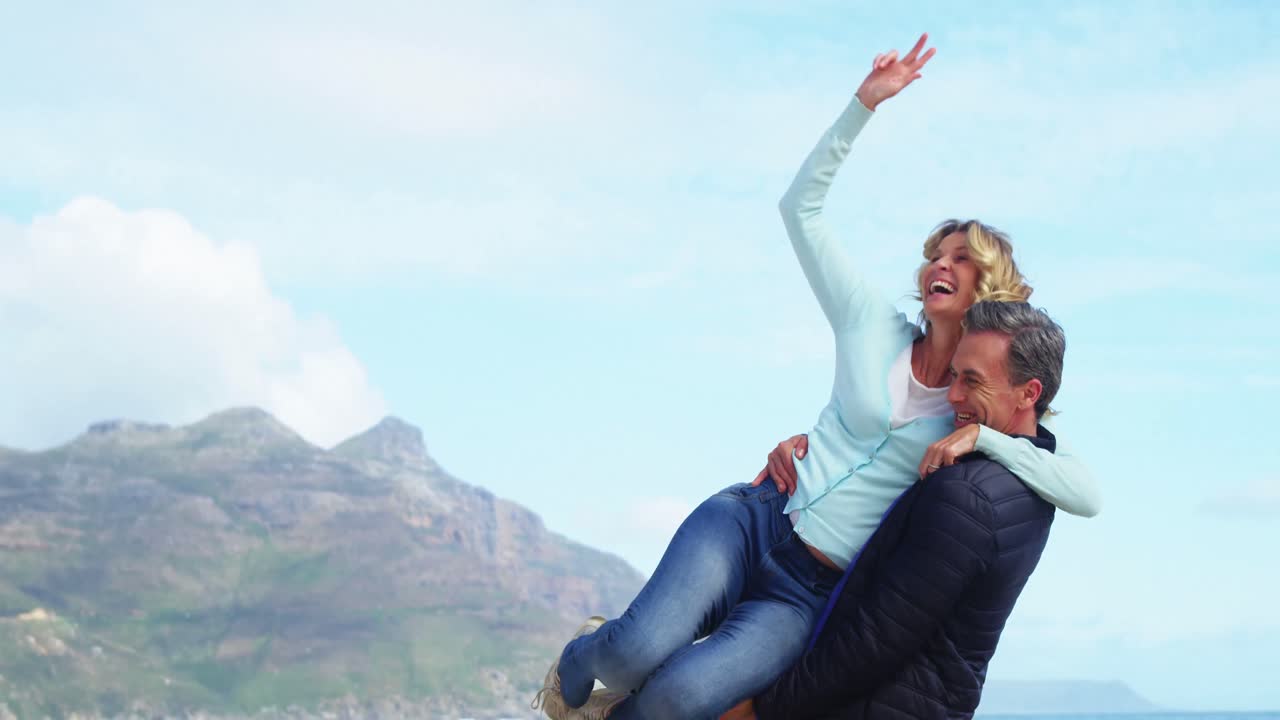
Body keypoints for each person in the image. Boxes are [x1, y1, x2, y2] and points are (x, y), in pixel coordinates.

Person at [531, 34, 1100, 720]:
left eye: (962, 257)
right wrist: (863, 106)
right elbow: (800, 210)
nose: (939, 266)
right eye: (935, 255)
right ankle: (581, 657)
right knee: (631, 653)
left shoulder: (973, 402)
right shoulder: (871, 323)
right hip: (755, 519)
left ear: (991, 283)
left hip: (806, 595)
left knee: (678, 701)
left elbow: (1083, 490)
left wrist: (984, 441)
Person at [725, 301, 1070, 720]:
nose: (953, 394)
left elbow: (878, 637)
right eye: (955, 374)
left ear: (1028, 393)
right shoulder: (1034, 481)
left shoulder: (968, 494)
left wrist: (763, 710)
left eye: (972, 381)